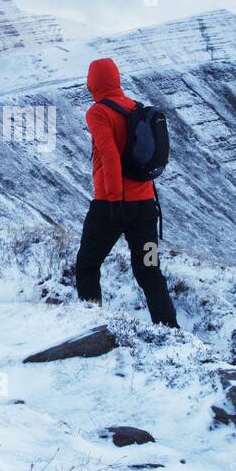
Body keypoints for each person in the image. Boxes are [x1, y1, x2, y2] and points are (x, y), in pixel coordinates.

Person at [74, 57, 178, 326]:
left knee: (87, 265)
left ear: (92, 82)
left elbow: (109, 155)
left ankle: (92, 326)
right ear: (116, 79)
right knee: (150, 270)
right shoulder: (135, 107)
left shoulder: (97, 112)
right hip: (145, 206)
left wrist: (114, 199)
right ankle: (170, 330)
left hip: (111, 205)